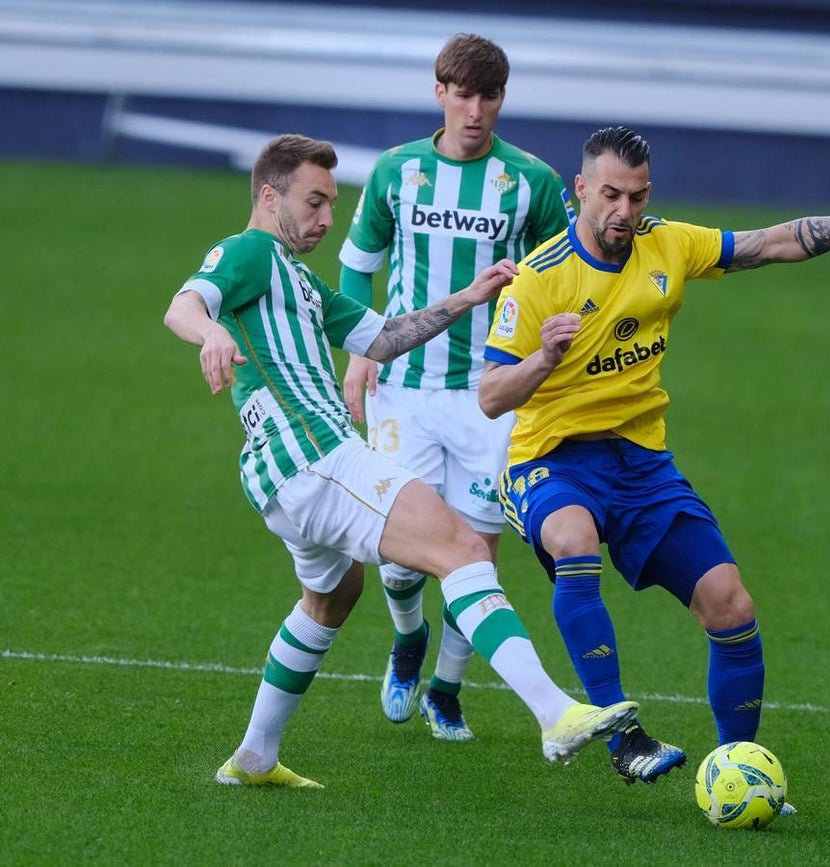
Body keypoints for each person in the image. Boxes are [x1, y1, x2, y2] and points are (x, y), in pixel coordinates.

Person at [163, 133, 638, 788]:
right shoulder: (249, 254)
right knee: (466, 548)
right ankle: (556, 712)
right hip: (315, 454)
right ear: (269, 196)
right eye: (315, 201)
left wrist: (470, 297)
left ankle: (254, 757)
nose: (327, 218)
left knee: (333, 596)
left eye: (331, 202)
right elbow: (184, 303)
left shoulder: (298, 281)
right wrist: (210, 329)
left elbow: (386, 336)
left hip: (287, 471)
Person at [479, 125, 830, 784]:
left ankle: (738, 765)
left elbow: (771, 242)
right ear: (580, 190)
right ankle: (620, 735)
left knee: (730, 604)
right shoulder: (540, 279)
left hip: (641, 464)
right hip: (550, 459)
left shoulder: (668, 242)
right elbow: (491, 396)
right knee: (573, 538)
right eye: (611, 195)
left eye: (637, 196)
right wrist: (545, 356)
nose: (624, 212)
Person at [338, 34, 574, 741]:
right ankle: (407, 636)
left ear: (502, 99)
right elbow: (357, 266)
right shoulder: (396, 171)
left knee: (477, 551)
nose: (475, 110)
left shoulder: (531, 181)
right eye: (462, 93)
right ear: (439, 91)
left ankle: (446, 685)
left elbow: (563, 270)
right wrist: (360, 350)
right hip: (404, 386)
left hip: (487, 395)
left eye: (489, 96)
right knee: (400, 551)